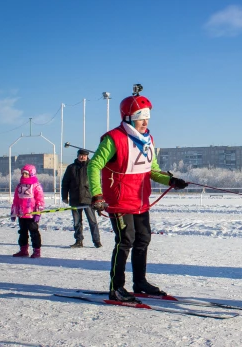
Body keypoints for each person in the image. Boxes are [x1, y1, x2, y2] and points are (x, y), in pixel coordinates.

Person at [87, 88, 189, 303]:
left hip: (141, 201)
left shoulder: (147, 139)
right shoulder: (113, 138)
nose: (145, 122)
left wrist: (171, 180)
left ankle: (140, 282)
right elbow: (94, 165)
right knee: (125, 241)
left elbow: (152, 170)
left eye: (147, 117)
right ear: (128, 118)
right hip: (119, 201)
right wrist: (97, 194)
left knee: (143, 239)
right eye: (140, 118)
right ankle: (116, 287)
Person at [62, 148, 102, 248]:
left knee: (92, 221)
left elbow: (98, 182)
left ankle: (96, 241)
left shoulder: (91, 166)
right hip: (75, 199)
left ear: (87, 156)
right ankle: (79, 240)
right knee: (77, 222)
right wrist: (64, 196)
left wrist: (98, 198)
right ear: (77, 155)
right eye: (80, 155)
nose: (82, 157)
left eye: (84, 155)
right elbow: (65, 183)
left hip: (88, 199)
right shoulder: (71, 168)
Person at [10, 164, 45, 258]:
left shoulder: (36, 186)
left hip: (31, 214)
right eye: (23, 173)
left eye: (26, 173)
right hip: (21, 214)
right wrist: (14, 212)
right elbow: (16, 200)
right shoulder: (20, 186)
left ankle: (37, 250)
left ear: (31, 174)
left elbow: (40, 200)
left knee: (34, 232)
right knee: (22, 232)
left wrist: (38, 212)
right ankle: (23, 250)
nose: (24, 175)